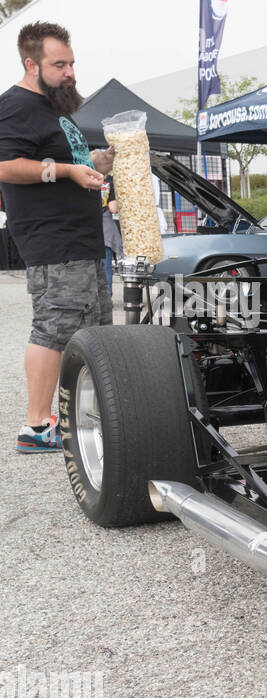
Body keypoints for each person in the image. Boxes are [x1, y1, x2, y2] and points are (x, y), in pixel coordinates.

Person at [0, 21, 107, 454]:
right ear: (31, 64)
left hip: (82, 240)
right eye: (58, 64)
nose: (70, 72)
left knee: (90, 329)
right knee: (56, 328)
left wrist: (102, 158)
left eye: (72, 63)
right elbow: (4, 165)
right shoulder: (15, 106)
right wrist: (64, 170)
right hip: (53, 241)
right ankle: (35, 428)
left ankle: (72, 421)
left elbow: (74, 163)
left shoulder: (55, 109)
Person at [91, 148, 121, 292]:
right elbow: (113, 208)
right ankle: (106, 292)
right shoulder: (109, 181)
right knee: (105, 263)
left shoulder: (85, 178)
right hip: (105, 229)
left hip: (87, 227)